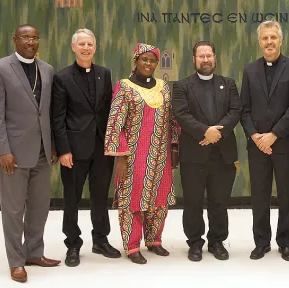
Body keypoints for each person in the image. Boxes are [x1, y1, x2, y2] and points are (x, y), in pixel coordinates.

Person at [0, 24, 60, 283]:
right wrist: (3, 150)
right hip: (13, 154)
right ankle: (16, 261)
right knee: (14, 210)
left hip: (42, 152)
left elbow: (47, 112)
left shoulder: (47, 69)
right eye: (26, 37)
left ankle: (34, 252)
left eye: (35, 37)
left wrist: (53, 145)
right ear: (15, 39)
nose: (31, 41)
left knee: (39, 207)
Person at [104, 43, 180, 264]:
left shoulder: (164, 87)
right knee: (132, 200)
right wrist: (119, 156)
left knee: (159, 198)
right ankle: (132, 245)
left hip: (161, 155)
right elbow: (115, 122)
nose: (148, 64)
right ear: (135, 61)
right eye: (144, 59)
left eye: (152, 60)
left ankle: (154, 240)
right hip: (133, 156)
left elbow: (171, 120)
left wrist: (174, 147)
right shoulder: (124, 87)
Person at [52, 28, 121, 267]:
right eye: (81, 44)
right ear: (73, 47)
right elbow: (57, 117)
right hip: (74, 149)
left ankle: (100, 240)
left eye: (89, 44)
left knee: (100, 197)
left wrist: (113, 143)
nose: (86, 48)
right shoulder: (62, 77)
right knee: (71, 198)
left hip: (102, 148)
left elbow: (108, 111)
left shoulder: (105, 73)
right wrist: (63, 150)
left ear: (95, 47)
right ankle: (72, 244)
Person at [240, 20, 289, 261]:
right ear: (259, 42)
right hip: (257, 145)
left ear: (280, 40)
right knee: (259, 194)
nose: (269, 42)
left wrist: (274, 135)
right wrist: (256, 136)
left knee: (286, 194)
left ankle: (285, 242)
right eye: (265, 38)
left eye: (273, 38)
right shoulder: (250, 70)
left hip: (284, 143)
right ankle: (261, 242)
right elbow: (244, 109)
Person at [172, 41, 242, 262]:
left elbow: (236, 110)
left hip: (223, 154)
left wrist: (216, 133)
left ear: (215, 57)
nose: (205, 60)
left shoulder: (228, 84)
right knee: (192, 202)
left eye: (209, 55)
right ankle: (195, 242)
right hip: (194, 154)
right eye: (201, 56)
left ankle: (217, 241)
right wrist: (204, 131)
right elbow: (181, 114)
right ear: (194, 59)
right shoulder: (182, 86)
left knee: (219, 202)